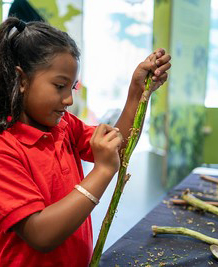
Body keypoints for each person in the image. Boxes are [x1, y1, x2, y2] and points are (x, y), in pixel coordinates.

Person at [0, 17, 171, 267]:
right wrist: (102, 171)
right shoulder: (6, 149)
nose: (69, 100)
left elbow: (117, 145)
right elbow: (41, 234)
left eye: (72, 87)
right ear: (22, 80)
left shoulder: (64, 125)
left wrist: (137, 90)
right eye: (60, 86)